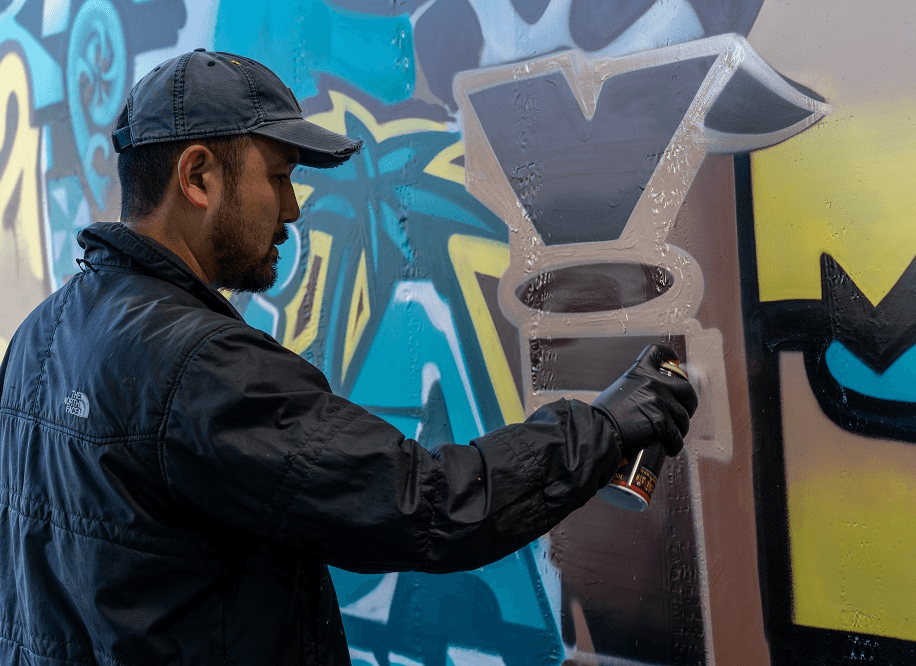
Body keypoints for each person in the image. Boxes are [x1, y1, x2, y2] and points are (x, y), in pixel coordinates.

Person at [0, 50, 697, 665]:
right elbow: (426, 504)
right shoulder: (199, 366)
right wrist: (604, 429)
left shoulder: (38, 335)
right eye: (276, 177)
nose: (293, 208)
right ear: (198, 176)